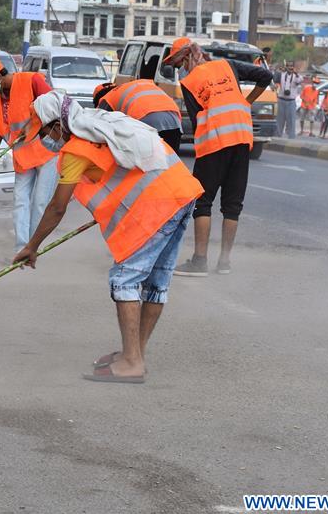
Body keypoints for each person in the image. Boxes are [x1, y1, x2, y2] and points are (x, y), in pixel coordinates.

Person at [13, 91, 203, 383]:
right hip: (182, 192)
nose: (45, 140)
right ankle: (135, 354)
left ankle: (131, 363)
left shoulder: (77, 148)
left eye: (45, 132)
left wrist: (32, 246)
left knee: (124, 279)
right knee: (156, 282)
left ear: (57, 124)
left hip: (159, 204)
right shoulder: (101, 121)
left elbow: (56, 208)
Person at [163, 38, 272, 277]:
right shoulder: (227, 66)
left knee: (202, 202)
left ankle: (200, 261)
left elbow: (197, 118)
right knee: (232, 205)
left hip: (214, 142)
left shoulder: (189, 82)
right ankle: (224, 262)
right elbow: (266, 77)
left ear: (189, 56)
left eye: (179, 63)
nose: (180, 69)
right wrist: (246, 103)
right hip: (242, 139)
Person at [0, 57, 57, 254]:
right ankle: (21, 249)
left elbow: (56, 108)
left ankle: (34, 248)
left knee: (40, 202)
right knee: (20, 201)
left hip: (47, 153)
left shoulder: (32, 80)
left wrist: (34, 122)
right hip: (23, 157)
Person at [93, 80, 183, 151]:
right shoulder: (132, 87)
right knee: (171, 164)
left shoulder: (107, 98)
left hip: (145, 120)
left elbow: (97, 126)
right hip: (174, 120)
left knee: (145, 166)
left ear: (98, 98)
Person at [274, 63, 303, 138]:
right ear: (286, 67)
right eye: (288, 66)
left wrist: (295, 73)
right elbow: (275, 78)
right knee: (279, 120)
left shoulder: (296, 76)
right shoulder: (282, 75)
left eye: (291, 66)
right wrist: (279, 69)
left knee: (291, 121)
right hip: (281, 100)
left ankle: (291, 137)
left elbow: (300, 80)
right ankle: (277, 136)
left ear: (294, 67)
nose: (290, 68)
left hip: (291, 101)